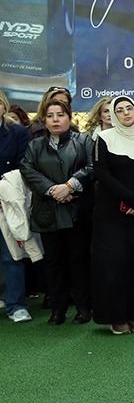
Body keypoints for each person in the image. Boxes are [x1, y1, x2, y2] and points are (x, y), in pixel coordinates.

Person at [92, 96, 134, 335]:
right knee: (115, 264)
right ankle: (116, 317)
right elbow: (102, 173)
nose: (125, 113)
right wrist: (131, 199)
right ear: (113, 115)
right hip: (112, 215)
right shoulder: (104, 139)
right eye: (119, 110)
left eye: (129, 108)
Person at [21, 98, 93, 326]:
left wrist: (70, 185)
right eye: (50, 116)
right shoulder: (35, 145)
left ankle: (83, 308)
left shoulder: (83, 141)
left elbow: (92, 167)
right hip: (48, 214)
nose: (55, 120)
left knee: (79, 261)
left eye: (60, 115)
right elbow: (27, 169)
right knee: (53, 263)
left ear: (69, 117)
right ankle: (57, 309)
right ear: (44, 120)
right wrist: (53, 190)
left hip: (77, 212)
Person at [0, 91, 30, 322]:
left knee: (11, 254)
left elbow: (22, 167)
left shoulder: (17, 132)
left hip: (8, 200)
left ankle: (16, 305)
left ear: (4, 106)